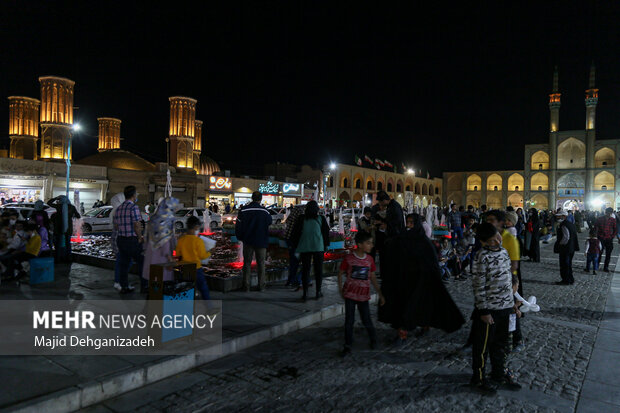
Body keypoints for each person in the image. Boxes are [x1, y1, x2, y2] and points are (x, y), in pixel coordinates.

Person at [378, 212, 464, 343]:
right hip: (406, 281)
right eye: (408, 222)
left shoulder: (424, 242)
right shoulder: (402, 238)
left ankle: (424, 326)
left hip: (422, 282)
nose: (409, 225)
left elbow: (432, 263)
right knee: (404, 308)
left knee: (422, 306)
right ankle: (403, 333)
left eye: (412, 223)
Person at [470, 222, 521, 393]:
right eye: (491, 241)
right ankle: (478, 378)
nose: (497, 242)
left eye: (497, 238)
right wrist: (483, 311)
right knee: (482, 347)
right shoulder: (481, 256)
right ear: (483, 242)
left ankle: (499, 373)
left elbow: (508, 279)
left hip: (505, 307)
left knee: (502, 343)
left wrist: (513, 301)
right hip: (489, 309)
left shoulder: (504, 252)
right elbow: (478, 285)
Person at [338, 230, 384, 356]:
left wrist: (380, 294)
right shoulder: (349, 258)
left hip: (363, 296)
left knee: (367, 319)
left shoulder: (369, 259)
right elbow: (341, 272)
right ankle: (347, 345)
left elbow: (373, 277)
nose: (371, 245)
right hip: (350, 295)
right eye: (368, 243)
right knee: (349, 320)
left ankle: (373, 339)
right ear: (360, 244)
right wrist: (340, 288)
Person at [290, 200, 330, 301]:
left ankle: (305, 293)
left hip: (305, 247)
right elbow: (326, 233)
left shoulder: (301, 218)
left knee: (305, 270)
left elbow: (295, 232)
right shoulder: (321, 218)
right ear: (317, 209)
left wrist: (294, 245)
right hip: (318, 247)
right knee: (318, 270)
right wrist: (326, 246)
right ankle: (318, 292)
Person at [235, 191, 272, 292]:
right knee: (261, 264)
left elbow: (238, 226)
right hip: (261, 241)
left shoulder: (243, 210)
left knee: (247, 263)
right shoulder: (265, 211)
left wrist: (240, 237)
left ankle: (246, 286)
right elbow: (269, 222)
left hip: (248, 241)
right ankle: (261, 286)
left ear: (252, 198)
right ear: (260, 199)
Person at [113, 186, 145, 293]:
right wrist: (140, 237)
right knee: (142, 262)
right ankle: (144, 287)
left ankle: (124, 286)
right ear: (133, 195)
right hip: (132, 240)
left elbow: (116, 226)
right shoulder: (133, 208)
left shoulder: (119, 208)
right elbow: (137, 224)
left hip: (121, 240)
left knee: (124, 264)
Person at [176, 216, 212, 299]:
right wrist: (210, 252)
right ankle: (209, 308)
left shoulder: (181, 240)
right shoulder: (198, 241)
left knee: (187, 288)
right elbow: (202, 256)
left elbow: (178, 254)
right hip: (196, 268)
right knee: (203, 288)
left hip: (185, 268)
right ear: (196, 227)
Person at [48, 195, 80, 263]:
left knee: (58, 244)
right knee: (68, 244)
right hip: (68, 228)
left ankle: (58, 259)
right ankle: (68, 258)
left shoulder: (59, 206)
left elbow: (49, 203)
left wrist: (55, 198)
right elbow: (78, 216)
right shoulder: (72, 207)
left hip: (59, 228)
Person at [554, 210, 579, 285]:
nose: (557, 217)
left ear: (564, 216)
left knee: (564, 264)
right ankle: (570, 279)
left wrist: (560, 244)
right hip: (572, 248)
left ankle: (566, 280)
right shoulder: (571, 224)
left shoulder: (564, 225)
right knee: (568, 264)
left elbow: (566, 237)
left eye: (559, 216)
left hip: (566, 248)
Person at [284, 204, 305, 290]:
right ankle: (296, 280)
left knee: (293, 261)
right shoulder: (300, 217)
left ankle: (291, 280)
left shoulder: (292, 215)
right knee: (302, 262)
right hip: (296, 242)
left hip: (289, 240)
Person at [595, 207, 616, 272]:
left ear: (611, 213)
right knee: (599, 252)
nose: (609, 214)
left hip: (609, 238)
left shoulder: (613, 220)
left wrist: (612, 236)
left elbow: (615, 229)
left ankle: (606, 267)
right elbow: (595, 227)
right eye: (608, 212)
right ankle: (597, 265)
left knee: (608, 254)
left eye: (610, 213)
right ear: (605, 212)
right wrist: (596, 235)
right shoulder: (599, 219)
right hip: (601, 238)